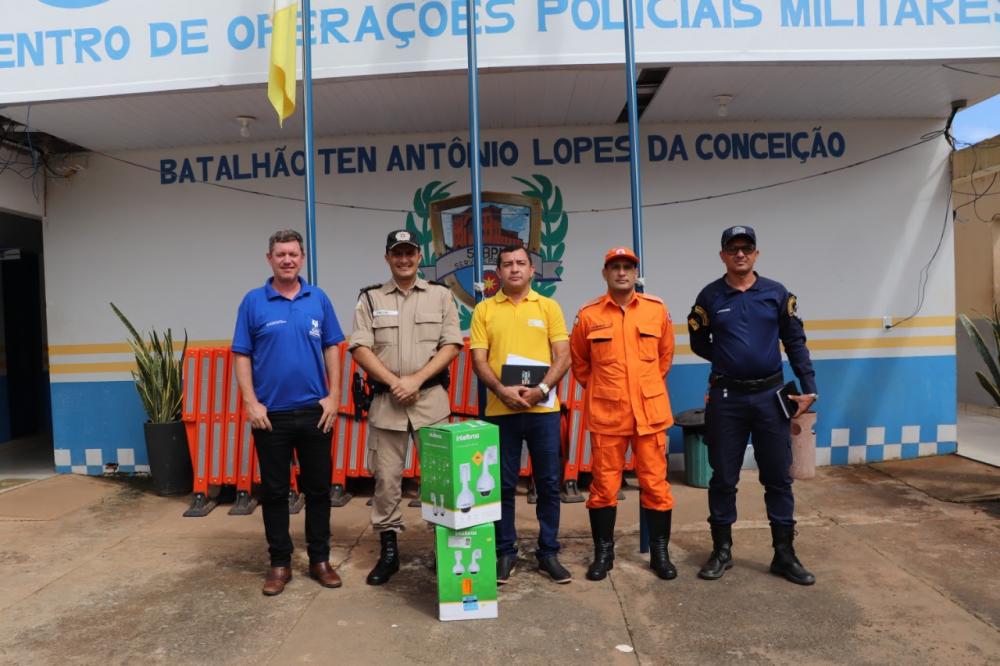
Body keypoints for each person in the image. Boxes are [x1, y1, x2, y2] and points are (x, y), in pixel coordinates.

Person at [688, 225, 818, 585]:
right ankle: (722, 551)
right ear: (723, 255)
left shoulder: (776, 294)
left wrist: (809, 387)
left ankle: (784, 554)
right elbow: (698, 339)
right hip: (727, 399)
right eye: (733, 249)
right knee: (723, 477)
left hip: (770, 398)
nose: (740, 254)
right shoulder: (710, 296)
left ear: (756, 254)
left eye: (747, 248)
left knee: (777, 477)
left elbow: (795, 342)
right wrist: (727, 359)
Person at [232, 229, 344, 596]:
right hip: (271, 416)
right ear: (270, 259)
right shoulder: (253, 302)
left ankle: (320, 560)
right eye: (280, 254)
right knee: (276, 492)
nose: (287, 260)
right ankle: (279, 563)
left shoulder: (319, 299)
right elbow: (242, 354)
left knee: (318, 490)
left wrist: (334, 396)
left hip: (316, 413)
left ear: (302, 258)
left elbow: (332, 347)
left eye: (293, 254)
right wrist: (251, 402)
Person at [349, 230, 462, 586]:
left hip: (430, 402)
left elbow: (452, 344)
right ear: (387, 258)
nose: (403, 259)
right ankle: (389, 552)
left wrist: (415, 380)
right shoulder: (369, 299)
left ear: (419, 256)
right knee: (386, 481)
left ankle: (445, 549)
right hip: (387, 403)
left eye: (409, 252)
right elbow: (360, 347)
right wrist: (395, 381)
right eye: (396, 253)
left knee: (441, 481)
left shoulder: (442, 296)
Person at [570, 247, 677, 582]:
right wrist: (608, 389)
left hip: (649, 414)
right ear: (605, 273)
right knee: (603, 488)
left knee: (656, 486)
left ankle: (660, 553)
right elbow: (580, 364)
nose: (621, 273)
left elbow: (664, 359)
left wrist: (642, 389)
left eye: (627, 268)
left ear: (635, 274)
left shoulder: (656, 310)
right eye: (614, 267)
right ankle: (604, 554)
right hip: (608, 414)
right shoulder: (588, 314)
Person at [469, 244, 572, 584]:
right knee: (500, 485)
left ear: (531, 270)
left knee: (547, 482)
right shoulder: (484, 310)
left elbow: (563, 355)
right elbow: (479, 360)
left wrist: (541, 389)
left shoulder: (549, 307)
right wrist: (501, 391)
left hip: (543, 410)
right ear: (497, 273)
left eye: (521, 263)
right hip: (501, 410)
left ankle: (548, 552)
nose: (514, 269)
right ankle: (505, 552)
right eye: (507, 264)